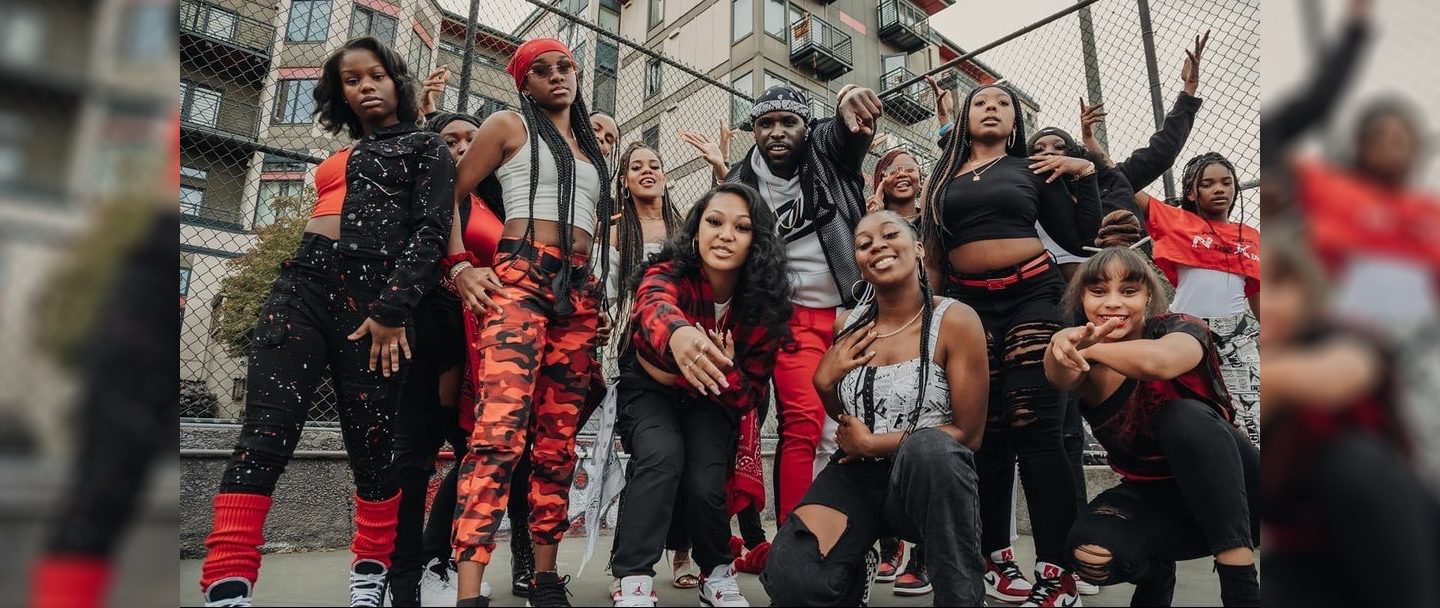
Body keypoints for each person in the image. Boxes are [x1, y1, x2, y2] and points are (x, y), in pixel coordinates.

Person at [197, 37, 454, 607]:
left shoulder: (426, 146)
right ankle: (227, 583)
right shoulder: (346, 153)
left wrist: (391, 312)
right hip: (304, 284)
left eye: (377, 75)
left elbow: (431, 233)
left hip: (374, 304)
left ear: (397, 81)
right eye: (352, 80)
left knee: (371, 443)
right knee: (266, 429)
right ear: (341, 93)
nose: (366, 86)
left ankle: (369, 573)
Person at [920, 82, 1100, 607]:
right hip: (968, 306)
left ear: (1015, 120)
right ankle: (995, 558)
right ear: (966, 118)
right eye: (981, 103)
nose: (992, 109)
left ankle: (1057, 569)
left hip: (1033, 296)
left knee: (1036, 425)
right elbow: (934, 253)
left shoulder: (1031, 169)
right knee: (986, 432)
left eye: (1003, 104)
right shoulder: (941, 177)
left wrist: (1085, 171)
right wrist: (926, 318)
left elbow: (1078, 235)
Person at [448, 37, 613, 608]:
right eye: (539, 70)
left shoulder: (592, 148)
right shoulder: (508, 125)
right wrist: (460, 266)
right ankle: (469, 589)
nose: (555, 76)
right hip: (520, 278)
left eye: (564, 66)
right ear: (523, 82)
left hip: (579, 289)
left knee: (559, 443)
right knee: (499, 433)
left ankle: (545, 579)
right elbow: (448, 193)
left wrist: (599, 293)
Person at [760, 210, 988, 606]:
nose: (876, 246)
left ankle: (962, 597)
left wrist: (873, 445)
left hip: (927, 479)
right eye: (864, 244)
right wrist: (823, 382)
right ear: (860, 266)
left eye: (888, 235)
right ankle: (852, 573)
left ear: (918, 248)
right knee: (791, 579)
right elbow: (845, 420)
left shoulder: (955, 320)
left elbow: (969, 434)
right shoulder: (848, 325)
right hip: (857, 473)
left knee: (931, 448)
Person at [609, 183, 792, 608]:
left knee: (706, 478)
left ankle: (718, 573)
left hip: (714, 399)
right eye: (714, 221)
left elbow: (748, 394)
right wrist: (680, 334)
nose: (725, 234)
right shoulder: (669, 270)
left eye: (741, 227)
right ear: (695, 231)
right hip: (649, 391)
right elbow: (651, 305)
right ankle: (634, 578)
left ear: (757, 242)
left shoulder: (763, 304)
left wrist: (722, 372)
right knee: (660, 455)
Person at [1046, 247, 1260, 607]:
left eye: (1128, 291)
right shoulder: (1077, 359)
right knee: (1090, 554)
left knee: (1183, 418)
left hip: (1238, 493)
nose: (1113, 302)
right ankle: (1156, 574)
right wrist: (1057, 347)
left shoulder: (1182, 328)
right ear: (1081, 298)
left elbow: (1160, 363)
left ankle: (1241, 587)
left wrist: (1091, 350)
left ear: (1148, 296)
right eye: (1098, 291)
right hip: (1154, 497)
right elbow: (1057, 373)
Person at [723, 84, 884, 556]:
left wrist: (851, 97)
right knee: (803, 423)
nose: (776, 132)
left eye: (788, 122)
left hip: (848, 315)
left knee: (856, 427)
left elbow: (844, 133)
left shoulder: (827, 156)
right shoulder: (739, 182)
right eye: (764, 123)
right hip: (786, 318)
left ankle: (865, 538)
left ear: (806, 126)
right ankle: (799, 544)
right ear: (753, 130)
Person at [1258, 235, 1440, 608]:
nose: (1270, 301)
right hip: (1304, 558)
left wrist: (1272, 379)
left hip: (1390, 537)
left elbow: (1344, 372)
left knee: (1353, 458)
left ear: (1308, 289)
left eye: (1282, 283)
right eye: (1261, 286)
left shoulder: (1336, 337)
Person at [387, 111, 499, 607]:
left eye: (471, 139)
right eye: (449, 139)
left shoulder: (491, 201)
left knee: (482, 453)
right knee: (414, 455)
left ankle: (436, 557)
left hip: (482, 341)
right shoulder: (420, 196)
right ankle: (402, 575)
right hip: (428, 328)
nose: (460, 146)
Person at [1101, 153, 1262, 446]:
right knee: (1184, 409)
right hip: (1186, 334)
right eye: (1209, 183)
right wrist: (1096, 153)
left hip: (1238, 337)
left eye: (1227, 183)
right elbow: (1126, 183)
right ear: (1191, 192)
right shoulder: (1177, 222)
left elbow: (1258, 296)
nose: (1220, 189)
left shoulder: (1250, 236)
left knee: (1250, 424)